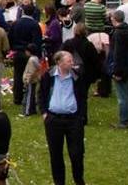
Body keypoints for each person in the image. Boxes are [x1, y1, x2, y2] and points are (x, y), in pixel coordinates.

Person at [39, 51, 89, 185]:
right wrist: (44, 113)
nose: (72, 63)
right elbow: (42, 94)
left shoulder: (76, 76)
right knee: (55, 154)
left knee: (76, 154)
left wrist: (82, 116)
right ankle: (59, 182)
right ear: (59, 62)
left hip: (73, 119)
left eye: (72, 60)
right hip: (54, 120)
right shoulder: (48, 75)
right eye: (69, 61)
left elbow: (83, 96)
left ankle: (79, 180)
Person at [61, 24, 101, 124]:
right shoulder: (88, 45)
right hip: (85, 75)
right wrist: (97, 75)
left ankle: (70, 114)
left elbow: (59, 55)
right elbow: (95, 61)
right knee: (82, 96)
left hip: (70, 72)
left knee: (70, 94)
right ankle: (82, 117)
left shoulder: (68, 43)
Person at [10, 4, 43, 107]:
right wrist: (37, 54)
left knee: (18, 75)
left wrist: (13, 48)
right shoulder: (34, 25)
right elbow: (37, 41)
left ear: (23, 11)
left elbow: (10, 36)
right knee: (31, 76)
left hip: (18, 52)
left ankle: (17, 97)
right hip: (30, 53)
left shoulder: (15, 23)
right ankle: (29, 97)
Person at [21, 44, 44, 116]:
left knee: (28, 95)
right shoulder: (36, 58)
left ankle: (27, 111)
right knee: (32, 95)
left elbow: (30, 71)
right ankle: (33, 109)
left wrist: (27, 80)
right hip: (34, 80)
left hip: (30, 81)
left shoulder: (31, 60)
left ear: (29, 51)